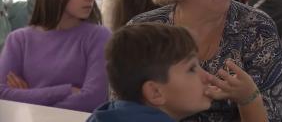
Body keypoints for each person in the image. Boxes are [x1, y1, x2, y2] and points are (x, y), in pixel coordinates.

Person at [129, 0, 282, 122]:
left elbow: (271, 116)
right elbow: (121, 110)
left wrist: (248, 98)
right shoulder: (144, 32)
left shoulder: (257, 29)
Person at [0, 0, 111, 112]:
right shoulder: (19, 40)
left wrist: (28, 96)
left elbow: (92, 101)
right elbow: (2, 95)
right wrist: (66, 91)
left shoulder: (99, 37)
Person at [87, 22, 267, 122]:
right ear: (155, 92)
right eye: (191, 69)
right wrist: (250, 98)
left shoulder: (103, 116)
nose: (207, 77)